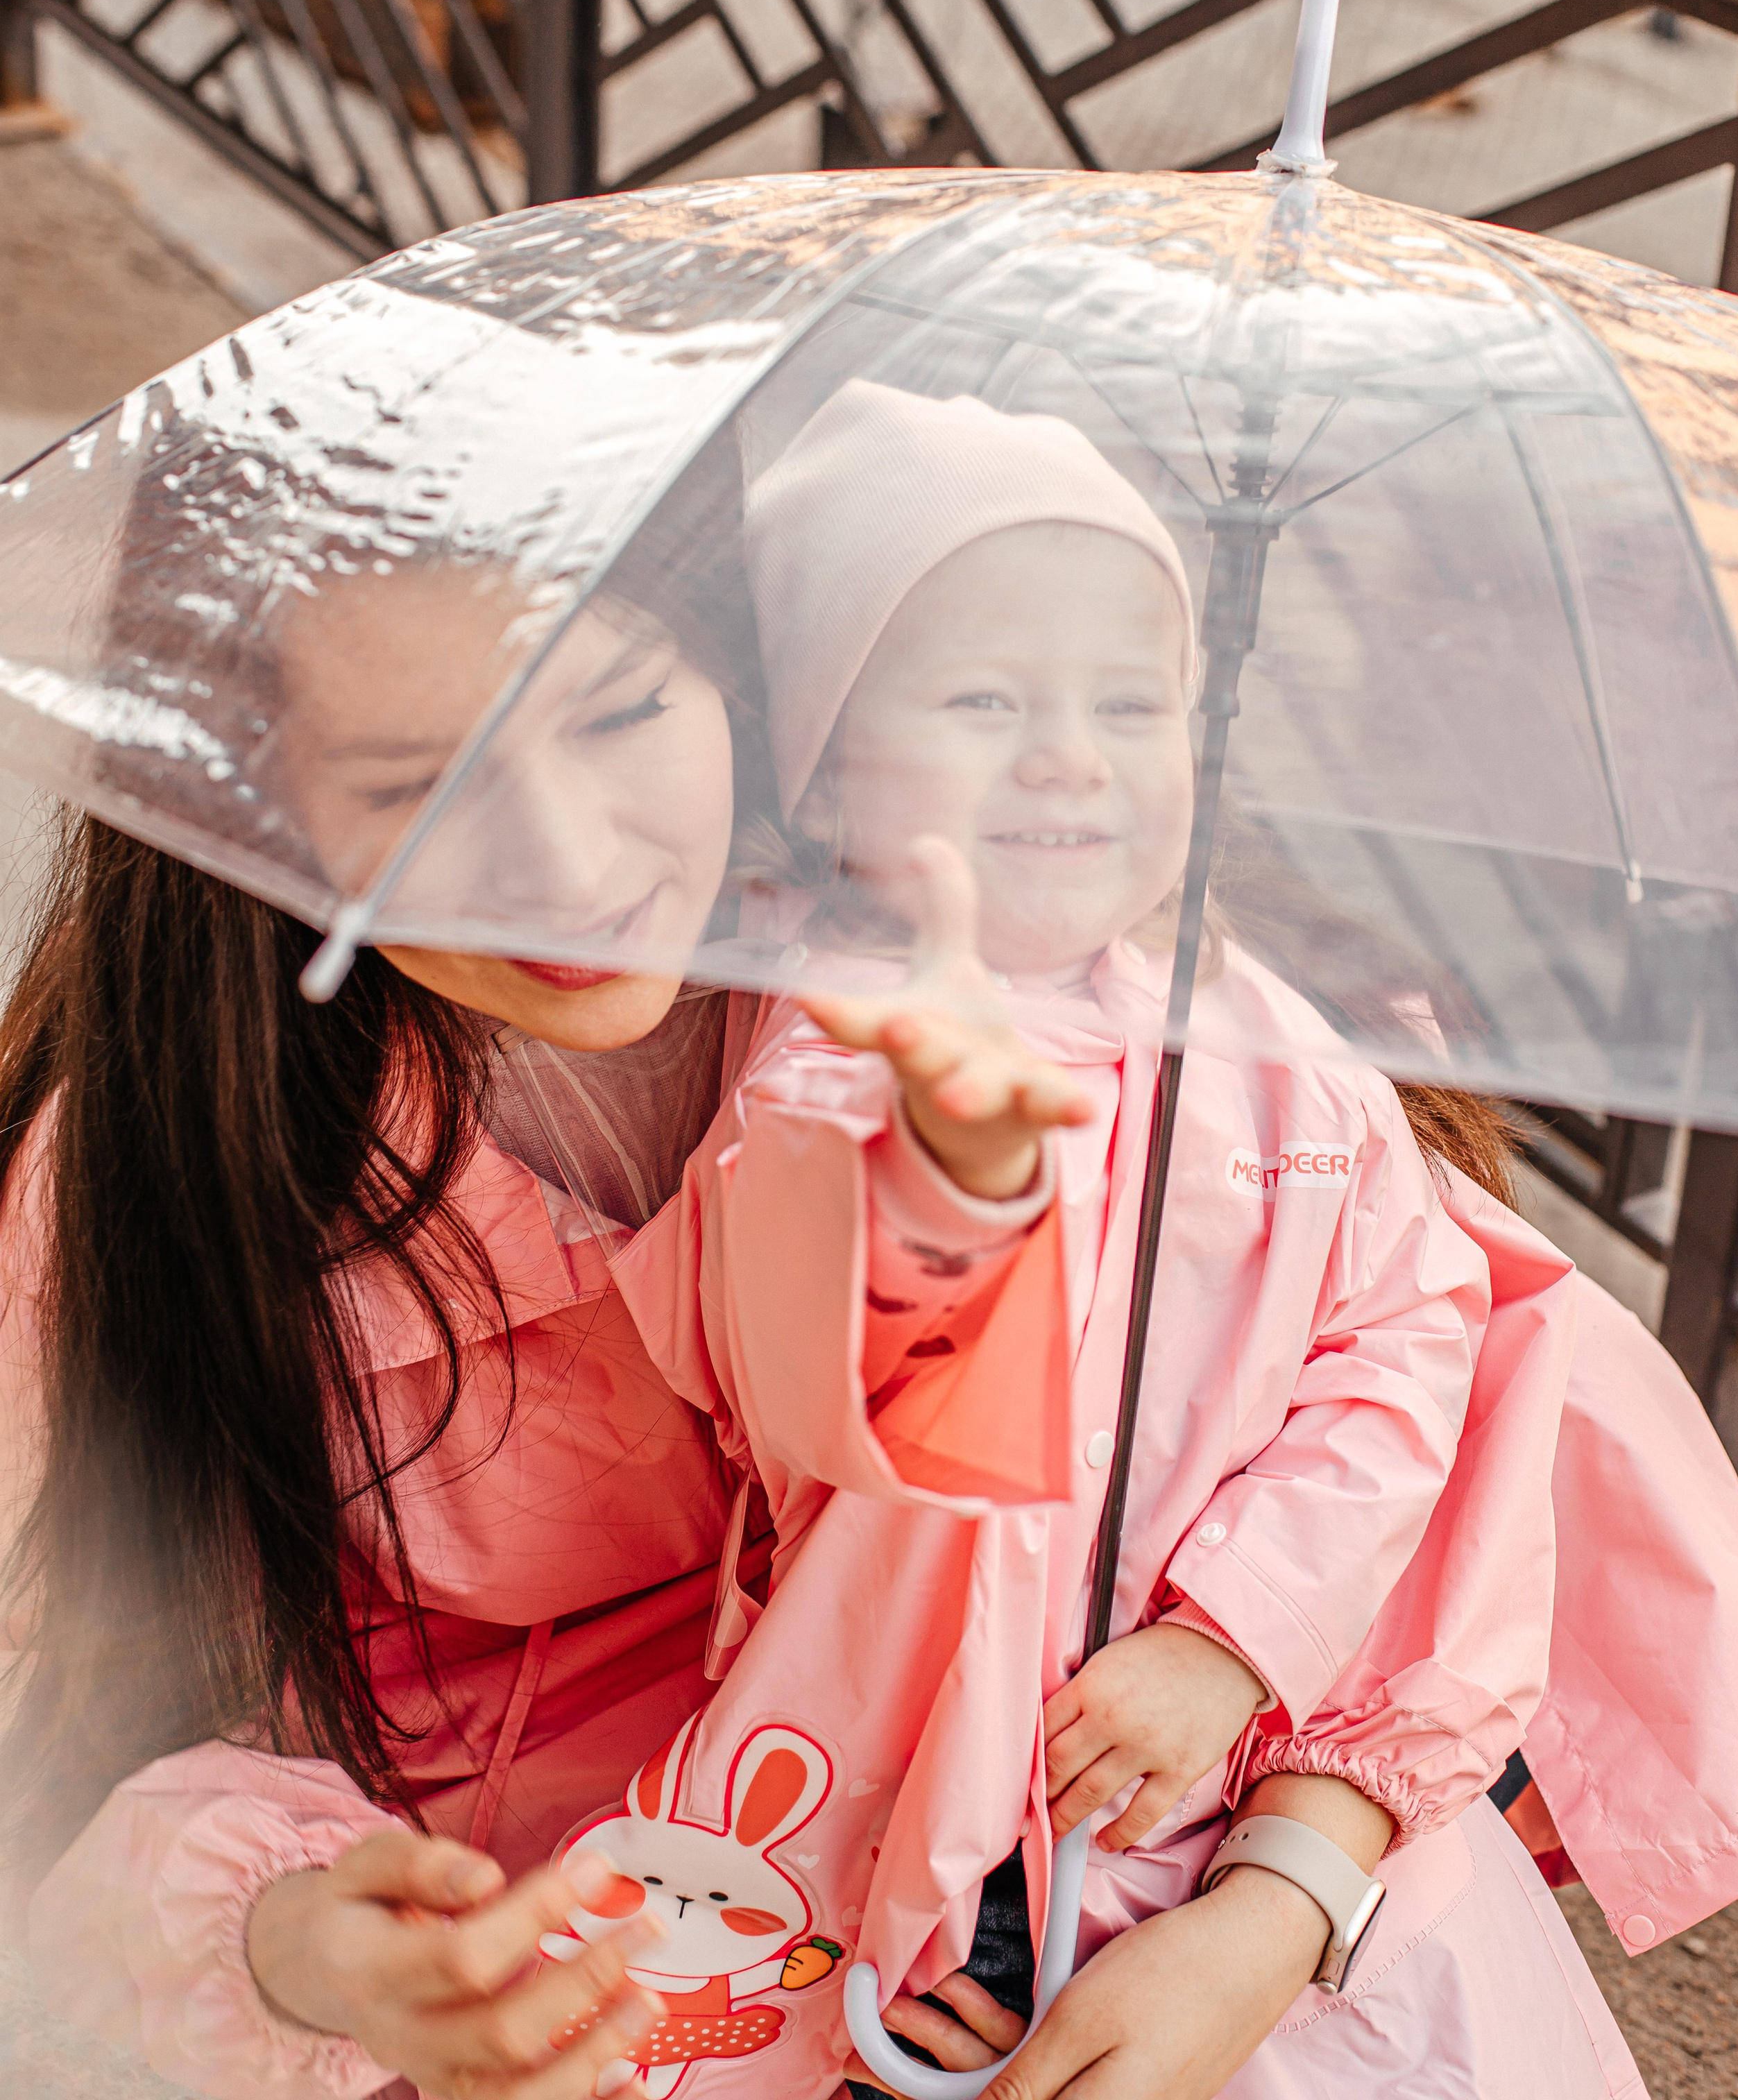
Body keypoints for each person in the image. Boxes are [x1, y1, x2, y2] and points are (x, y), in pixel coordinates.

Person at [538, 380, 1639, 2100]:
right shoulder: (836, 1047)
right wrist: (954, 1187)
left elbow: (1403, 1341)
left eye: (1131, 702)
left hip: (1215, 1763)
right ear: (827, 762)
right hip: (905, 1777)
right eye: (983, 699)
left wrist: (1233, 1633)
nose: (1068, 753)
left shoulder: (1276, 1053)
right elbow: (802, 1370)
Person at [0, 399, 1087, 2100]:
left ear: (735, 663)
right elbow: (87, 1731)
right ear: (250, 814)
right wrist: (304, 1945)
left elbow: (1384, 1363)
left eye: (624, 709)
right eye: (411, 784)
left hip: (1027, 1852)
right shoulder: (165, 1173)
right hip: (524, 1933)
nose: (566, 871)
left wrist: (1286, 1888)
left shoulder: (987, 947)